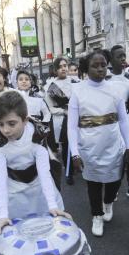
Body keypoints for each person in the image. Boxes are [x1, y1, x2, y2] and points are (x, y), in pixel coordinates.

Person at [68, 49, 129, 236]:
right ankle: (96, 215)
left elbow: (123, 120)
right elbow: (72, 126)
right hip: (88, 146)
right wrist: (74, 153)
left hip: (113, 144)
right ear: (86, 68)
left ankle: (108, 203)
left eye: (103, 65)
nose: (100, 69)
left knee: (114, 180)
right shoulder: (78, 90)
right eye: (95, 66)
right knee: (94, 183)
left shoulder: (115, 90)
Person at [0, 91, 70, 236]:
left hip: (39, 186)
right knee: (21, 231)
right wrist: (2, 216)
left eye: (11, 123)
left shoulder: (36, 137)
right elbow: (0, 182)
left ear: (25, 120)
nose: (6, 130)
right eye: (0, 124)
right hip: (14, 190)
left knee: (48, 230)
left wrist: (52, 204)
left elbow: (45, 174)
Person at [108, 44, 129, 201]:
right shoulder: (105, 78)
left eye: (124, 56)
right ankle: (112, 189)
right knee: (115, 157)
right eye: (119, 56)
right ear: (111, 59)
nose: (123, 59)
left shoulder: (128, 78)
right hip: (109, 124)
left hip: (126, 122)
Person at [45, 57, 80, 185]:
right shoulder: (50, 86)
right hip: (62, 119)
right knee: (66, 146)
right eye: (60, 67)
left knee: (80, 143)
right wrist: (65, 111)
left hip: (77, 118)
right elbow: (51, 108)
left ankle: (79, 166)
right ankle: (69, 173)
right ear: (55, 70)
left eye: (65, 65)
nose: (63, 68)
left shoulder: (75, 82)